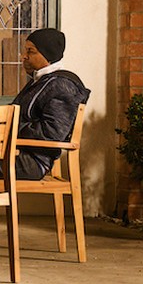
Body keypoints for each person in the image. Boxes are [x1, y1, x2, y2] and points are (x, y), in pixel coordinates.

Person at [11, 28, 90, 180]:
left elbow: (52, 132)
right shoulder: (41, 82)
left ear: (48, 55)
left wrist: (11, 127)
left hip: (33, 162)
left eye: (31, 51)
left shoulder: (62, 85)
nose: (24, 56)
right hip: (17, 153)